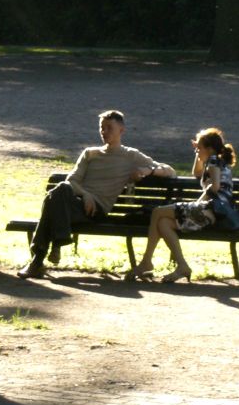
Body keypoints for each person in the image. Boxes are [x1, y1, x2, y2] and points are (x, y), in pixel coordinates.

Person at [16, 110, 176, 279]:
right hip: (76, 205)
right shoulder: (90, 153)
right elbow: (72, 181)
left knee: (53, 199)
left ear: (121, 130)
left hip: (96, 210)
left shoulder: (131, 156)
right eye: (102, 128)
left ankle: (39, 259)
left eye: (109, 128)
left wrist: (148, 170)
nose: (104, 132)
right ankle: (56, 243)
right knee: (59, 191)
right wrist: (86, 195)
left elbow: (170, 171)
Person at [127, 127, 239, 284]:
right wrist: (198, 153)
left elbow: (214, 187)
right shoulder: (215, 160)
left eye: (199, 148)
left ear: (209, 149)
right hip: (213, 211)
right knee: (163, 223)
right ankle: (182, 266)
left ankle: (146, 261)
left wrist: (198, 202)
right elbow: (196, 172)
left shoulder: (214, 161)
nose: (197, 151)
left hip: (210, 209)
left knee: (157, 212)